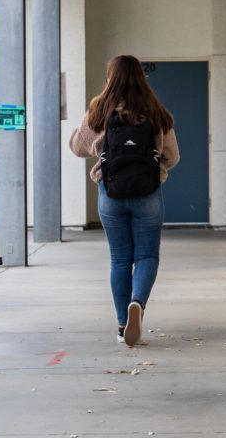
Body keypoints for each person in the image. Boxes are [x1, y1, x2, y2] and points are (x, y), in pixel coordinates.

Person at [70, 55, 179, 347]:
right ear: (141, 78)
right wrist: (156, 166)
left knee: (120, 259)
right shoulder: (156, 111)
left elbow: (78, 148)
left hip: (110, 192)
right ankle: (137, 305)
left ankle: (122, 326)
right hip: (148, 194)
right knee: (147, 256)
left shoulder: (99, 110)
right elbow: (173, 156)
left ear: (110, 78)